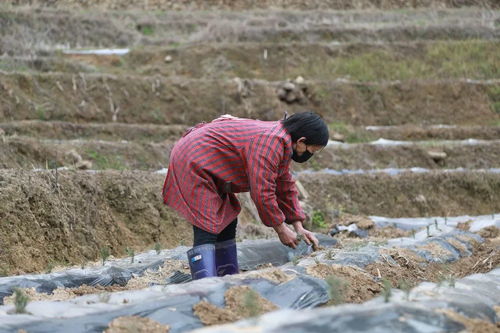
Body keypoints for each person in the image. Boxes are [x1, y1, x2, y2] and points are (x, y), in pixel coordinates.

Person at [162, 111, 329, 280]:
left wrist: (298, 226)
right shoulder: (271, 143)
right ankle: (204, 285)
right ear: (301, 141)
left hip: (209, 164)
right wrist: (281, 229)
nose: (311, 154)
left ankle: (227, 278)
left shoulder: (283, 142)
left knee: (227, 219)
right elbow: (263, 192)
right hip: (193, 160)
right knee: (208, 224)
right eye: (311, 150)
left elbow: (284, 184)